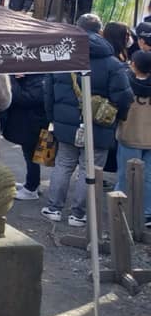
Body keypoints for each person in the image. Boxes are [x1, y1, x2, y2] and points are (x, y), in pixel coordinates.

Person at [42, 14, 135, 226]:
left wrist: (52, 118)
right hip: (99, 125)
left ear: (77, 28)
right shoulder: (112, 63)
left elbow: (48, 92)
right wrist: (116, 118)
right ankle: (78, 214)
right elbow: (124, 97)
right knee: (90, 169)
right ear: (100, 31)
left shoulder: (62, 56)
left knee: (63, 164)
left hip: (65, 122)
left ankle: (54, 209)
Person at [115, 50, 151, 228]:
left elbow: (118, 107)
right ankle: (146, 212)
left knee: (124, 176)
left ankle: (120, 208)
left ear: (134, 65)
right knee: (148, 178)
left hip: (129, 135)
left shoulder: (125, 83)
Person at [5, 74, 49, 200]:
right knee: (30, 155)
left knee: (32, 156)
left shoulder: (41, 79)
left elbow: (23, 98)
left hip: (34, 124)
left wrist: (12, 80)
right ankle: (32, 184)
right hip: (32, 123)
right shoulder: (37, 78)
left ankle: (31, 188)